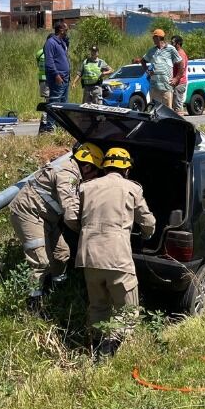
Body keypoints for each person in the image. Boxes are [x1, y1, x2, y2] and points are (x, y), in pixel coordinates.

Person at [64, 147, 155, 358]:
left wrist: (87, 232)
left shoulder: (87, 187)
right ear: (127, 169)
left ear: (105, 166)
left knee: (98, 305)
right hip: (118, 259)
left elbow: (73, 216)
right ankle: (110, 350)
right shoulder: (132, 188)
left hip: (88, 257)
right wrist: (147, 234)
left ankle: (95, 347)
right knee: (127, 310)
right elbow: (148, 221)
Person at [9, 142, 104, 311]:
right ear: (88, 167)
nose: (96, 177)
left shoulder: (75, 171)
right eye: (97, 171)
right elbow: (70, 213)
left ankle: (57, 291)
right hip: (29, 214)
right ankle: (34, 304)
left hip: (47, 218)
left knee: (61, 254)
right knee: (40, 262)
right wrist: (87, 233)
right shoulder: (68, 175)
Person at [141, 29, 182, 111]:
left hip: (166, 85)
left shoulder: (170, 49)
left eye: (154, 37)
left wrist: (176, 78)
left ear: (159, 37)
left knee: (167, 109)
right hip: (154, 86)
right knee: (155, 109)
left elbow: (180, 63)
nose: (153, 39)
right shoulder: (152, 50)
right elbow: (143, 61)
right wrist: (147, 71)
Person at [41, 21, 71, 133]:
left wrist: (67, 40)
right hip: (57, 78)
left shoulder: (62, 42)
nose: (67, 32)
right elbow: (49, 62)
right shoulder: (51, 43)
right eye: (66, 30)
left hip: (65, 77)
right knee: (55, 102)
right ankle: (50, 127)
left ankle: (61, 126)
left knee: (63, 104)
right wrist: (56, 75)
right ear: (61, 30)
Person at [170, 35, 189, 113]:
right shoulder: (176, 53)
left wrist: (176, 79)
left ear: (178, 44)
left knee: (178, 107)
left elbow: (182, 68)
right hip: (175, 83)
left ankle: (181, 123)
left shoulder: (180, 54)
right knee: (174, 106)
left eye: (173, 42)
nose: (171, 44)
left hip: (179, 83)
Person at [36, 47, 51, 132]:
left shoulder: (39, 52)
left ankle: (44, 124)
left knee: (47, 101)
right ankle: (44, 125)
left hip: (42, 80)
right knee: (49, 102)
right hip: (48, 80)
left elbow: (38, 64)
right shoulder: (51, 50)